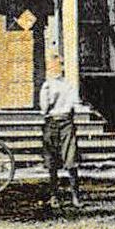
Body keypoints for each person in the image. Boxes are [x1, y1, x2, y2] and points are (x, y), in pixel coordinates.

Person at [39, 51, 82, 209]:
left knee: (70, 160)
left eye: (58, 65)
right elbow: (44, 108)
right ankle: (54, 196)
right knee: (52, 162)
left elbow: (72, 104)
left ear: (62, 67)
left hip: (65, 123)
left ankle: (75, 196)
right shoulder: (47, 86)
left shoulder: (68, 85)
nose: (55, 69)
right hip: (52, 124)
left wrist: (54, 104)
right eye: (52, 66)